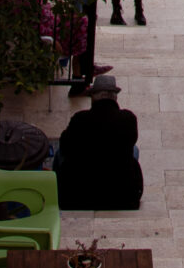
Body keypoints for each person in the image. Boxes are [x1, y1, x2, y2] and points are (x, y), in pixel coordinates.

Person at [54, 74, 143, 211]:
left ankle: (57, 189)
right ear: (115, 97)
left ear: (93, 97)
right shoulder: (128, 118)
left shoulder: (80, 119)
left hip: (77, 197)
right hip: (123, 197)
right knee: (134, 149)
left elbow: (65, 146)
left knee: (59, 152)